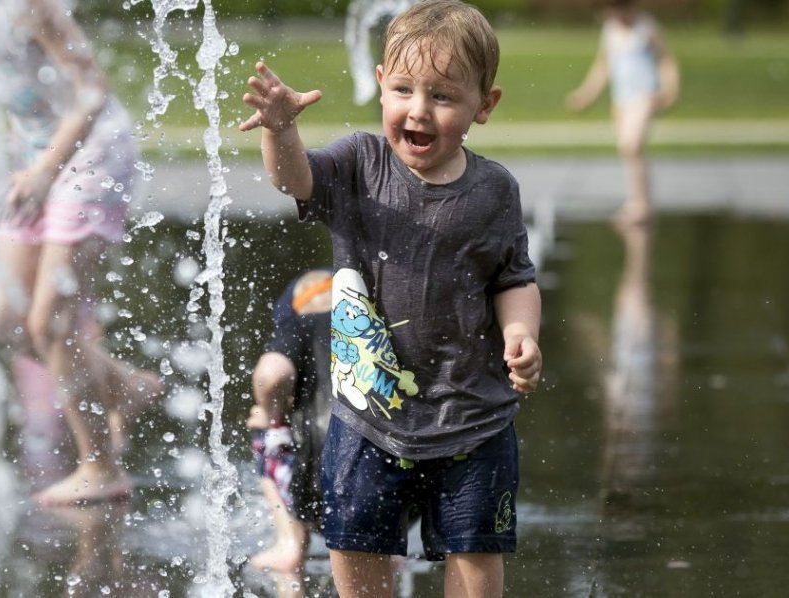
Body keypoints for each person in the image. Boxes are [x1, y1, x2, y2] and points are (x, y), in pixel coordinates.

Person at [239, 1, 543, 596]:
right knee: (358, 550)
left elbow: (514, 279)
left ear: (485, 104)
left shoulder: (493, 191)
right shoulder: (359, 164)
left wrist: (521, 333)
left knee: (477, 559)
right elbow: (293, 180)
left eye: (443, 96)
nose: (419, 110)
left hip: (473, 419)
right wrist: (281, 129)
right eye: (403, 89)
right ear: (380, 84)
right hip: (366, 417)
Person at [0, 0, 160, 506]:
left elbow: (92, 91)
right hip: (34, 165)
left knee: (51, 322)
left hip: (91, 156)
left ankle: (101, 467)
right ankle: (124, 385)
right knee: (3, 320)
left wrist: (48, 170)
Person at [246, 268, 333, 576]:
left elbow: (272, 374)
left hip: (316, 484)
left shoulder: (298, 323)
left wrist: (270, 416)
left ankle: (290, 545)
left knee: (268, 433)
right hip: (386, 481)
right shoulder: (371, 323)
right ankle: (385, 548)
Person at [565, 0, 680, 225]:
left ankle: (639, 206)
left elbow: (666, 60)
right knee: (631, 153)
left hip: (645, 96)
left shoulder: (646, 28)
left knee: (631, 144)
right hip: (621, 100)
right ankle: (639, 202)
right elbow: (604, 65)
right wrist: (587, 94)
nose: (616, 15)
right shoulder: (610, 30)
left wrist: (670, 88)